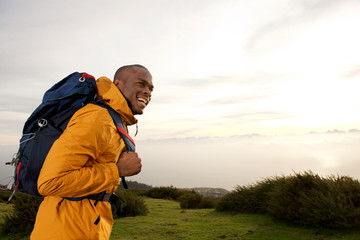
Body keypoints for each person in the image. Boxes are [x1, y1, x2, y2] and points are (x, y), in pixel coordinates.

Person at [30, 65, 154, 240]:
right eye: (141, 84)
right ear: (118, 84)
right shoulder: (97, 117)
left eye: (150, 88)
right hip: (65, 230)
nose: (147, 92)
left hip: (84, 225)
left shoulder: (114, 119)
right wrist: (116, 171)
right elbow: (50, 182)